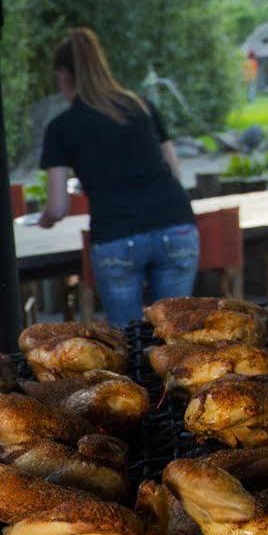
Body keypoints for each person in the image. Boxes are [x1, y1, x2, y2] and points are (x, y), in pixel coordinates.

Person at [36, 27, 197, 327]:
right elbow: (174, 170)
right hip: (175, 225)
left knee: (129, 342)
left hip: (117, 237)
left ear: (63, 75)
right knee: (176, 333)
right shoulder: (141, 106)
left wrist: (42, 220)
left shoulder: (61, 127)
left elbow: (58, 208)